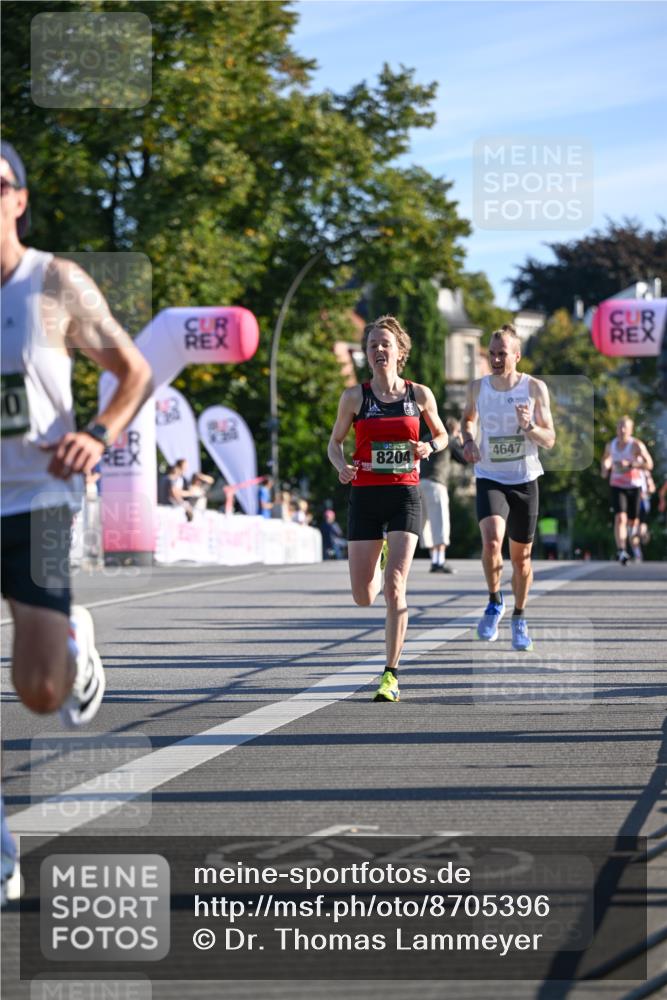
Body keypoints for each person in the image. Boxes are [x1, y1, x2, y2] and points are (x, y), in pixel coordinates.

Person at [1, 142, 152, 902]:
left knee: (37, 693)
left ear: (18, 199)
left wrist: (96, 432)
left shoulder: (53, 282)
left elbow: (133, 370)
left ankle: (73, 645)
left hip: (41, 498)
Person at [328, 315, 448, 702]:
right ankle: (378, 560)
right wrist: (341, 466)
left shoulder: (420, 395)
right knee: (364, 596)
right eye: (372, 346)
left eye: (385, 344)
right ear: (367, 355)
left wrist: (430, 446)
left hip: (404, 497)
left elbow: (443, 434)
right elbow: (335, 443)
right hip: (365, 497)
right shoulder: (354, 397)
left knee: (396, 588)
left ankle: (390, 674)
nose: (379, 350)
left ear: (400, 352)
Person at [461, 323, 555, 651]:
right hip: (490, 476)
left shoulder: (534, 389)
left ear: (517, 355)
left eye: (503, 354)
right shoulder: (477, 387)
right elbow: (468, 420)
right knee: (491, 542)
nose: (496, 359)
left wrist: (528, 425)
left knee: (522, 559)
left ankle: (519, 615)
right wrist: (470, 441)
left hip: (525, 479)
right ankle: (494, 601)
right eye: (492, 354)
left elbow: (550, 438)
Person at [600, 416, 653, 564]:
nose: (622, 430)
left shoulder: (636, 445)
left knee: (633, 521)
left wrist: (631, 465)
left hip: (634, 486)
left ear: (631, 430)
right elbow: (606, 459)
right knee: (620, 518)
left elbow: (649, 464)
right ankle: (621, 550)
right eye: (619, 427)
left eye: (625, 427)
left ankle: (635, 539)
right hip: (617, 485)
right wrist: (605, 466)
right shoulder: (611, 445)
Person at [419, 415, 466, 574]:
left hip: (419, 483)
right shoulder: (448, 440)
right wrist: (460, 440)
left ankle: (434, 560)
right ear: (453, 429)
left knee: (426, 524)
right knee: (440, 521)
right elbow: (464, 459)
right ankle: (439, 562)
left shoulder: (426, 438)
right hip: (436, 483)